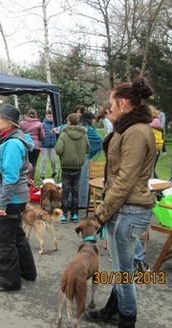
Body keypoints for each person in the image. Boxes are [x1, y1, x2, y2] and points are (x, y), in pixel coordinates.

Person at [84, 76, 155, 328]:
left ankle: (127, 320)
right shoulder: (128, 128)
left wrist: (100, 214)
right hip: (124, 210)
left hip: (128, 211)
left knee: (124, 275)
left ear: (123, 103)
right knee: (121, 269)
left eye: (111, 103)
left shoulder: (136, 132)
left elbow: (124, 180)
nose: (107, 108)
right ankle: (111, 311)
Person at [0, 104, 37, 292]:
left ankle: (10, 281)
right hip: (17, 198)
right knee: (17, 236)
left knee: (6, 240)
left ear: (11, 122)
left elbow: (10, 177)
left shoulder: (12, 144)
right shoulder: (10, 142)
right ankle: (28, 272)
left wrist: (2, 203)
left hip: (11, 199)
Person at [55, 113, 90, 223]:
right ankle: (75, 214)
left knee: (65, 191)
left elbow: (58, 149)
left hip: (66, 165)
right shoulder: (84, 134)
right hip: (78, 166)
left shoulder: (64, 134)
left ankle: (64, 214)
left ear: (69, 122)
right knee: (75, 190)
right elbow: (88, 149)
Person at [78, 112, 103, 208]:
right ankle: (83, 203)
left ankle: (74, 201)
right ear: (90, 120)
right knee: (84, 179)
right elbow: (99, 140)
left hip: (74, 157)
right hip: (84, 157)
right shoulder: (90, 129)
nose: (94, 121)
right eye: (93, 119)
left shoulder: (78, 127)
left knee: (75, 181)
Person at [19, 109, 45, 182]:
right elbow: (42, 136)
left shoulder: (22, 123)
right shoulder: (39, 124)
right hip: (35, 146)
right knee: (33, 163)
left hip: (24, 145)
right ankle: (31, 179)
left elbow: (19, 133)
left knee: (24, 162)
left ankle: (24, 178)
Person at [39, 110, 57, 180]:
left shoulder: (55, 124)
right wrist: (40, 145)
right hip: (44, 145)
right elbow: (40, 135)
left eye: (51, 116)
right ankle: (42, 175)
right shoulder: (42, 124)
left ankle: (54, 171)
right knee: (43, 160)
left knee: (53, 160)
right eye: (48, 116)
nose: (50, 118)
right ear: (46, 116)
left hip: (52, 145)